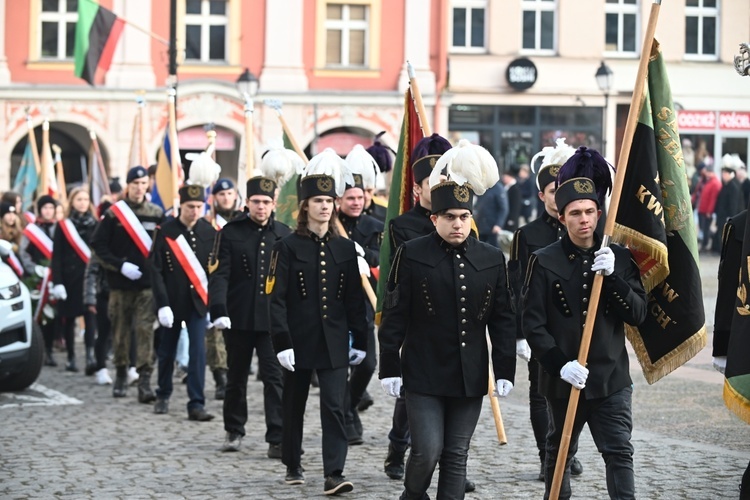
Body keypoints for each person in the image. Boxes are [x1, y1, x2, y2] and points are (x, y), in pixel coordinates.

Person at [378, 140, 516, 500]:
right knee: (427, 450)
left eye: (464, 217)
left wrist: (504, 370)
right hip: (422, 372)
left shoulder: (490, 258)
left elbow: (502, 318)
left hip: (469, 374)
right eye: (450, 217)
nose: (458, 224)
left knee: (456, 457)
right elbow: (394, 315)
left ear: (472, 218)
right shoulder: (412, 254)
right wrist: (389, 366)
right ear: (434, 218)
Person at [522, 147, 648, 500]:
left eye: (590, 211)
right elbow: (533, 324)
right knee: (559, 453)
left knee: (619, 452)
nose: (584, 220)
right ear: (562, 217)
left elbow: (638, 313)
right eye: (575, 213)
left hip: (610, 378)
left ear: (599, 212)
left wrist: (613, 278)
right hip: (563, 379)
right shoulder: (543, 261)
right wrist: (560, 365)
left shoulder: (617, 257)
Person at [268, 148, 368, 495]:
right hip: (298, 340)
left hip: (335, 340)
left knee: (335, 406)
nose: (325, 206)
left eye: (329, 200)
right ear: (304, 206)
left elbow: (354, 301)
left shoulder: (345, 248)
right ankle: (293, 462)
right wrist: (281, 342)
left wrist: (362, 341)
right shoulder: (286, 247)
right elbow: (276, 299)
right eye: (317, 200)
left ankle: (334, 472)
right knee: (293, 406)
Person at [209, 148, 299, 456]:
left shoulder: (285, 234)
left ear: (274, 204)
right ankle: (234, 430)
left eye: (266, 202)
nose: (261, 207)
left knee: (275, 380)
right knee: (236, 378)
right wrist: (218, 308)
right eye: (256, 202)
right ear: (247, 202)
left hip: (273, 322)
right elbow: (220, 274)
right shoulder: (231, 232)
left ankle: (276, 436)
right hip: (239, 317)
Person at [508, 138, 583, 481]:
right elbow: (517, 285)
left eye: (562, 189)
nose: (558, 196)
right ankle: (547, 456)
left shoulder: (585, 227)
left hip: (575, 326)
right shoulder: (528, 234)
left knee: (578, 392)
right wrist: (521, 333)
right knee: (541, 395)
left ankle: (568, 450)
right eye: (552, 190)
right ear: (542, 195)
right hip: (541, 326)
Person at [383, 133, 452, 482]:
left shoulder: (460, 218)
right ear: (417, 189)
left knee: (452, 395)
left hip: (454, 319)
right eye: (432, 182)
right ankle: (398, 445)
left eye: (445, 180)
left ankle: (450, 465)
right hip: (417, 317)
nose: (439, 186)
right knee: (413, 393)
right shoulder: (402, 225)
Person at [90, 165, 164, 400]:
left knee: (144, 331)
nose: (139, 188)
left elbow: (163, 248)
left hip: (146, 286)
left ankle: (143, 380)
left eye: (143, 184)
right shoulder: (114, 214)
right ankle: (121, 373)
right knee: (120, 332)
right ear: (128, 186)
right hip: (120, 285)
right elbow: (98, 246)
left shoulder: (156, 213)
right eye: (135, 184)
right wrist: (119, 265)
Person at [149, 185, 215, 421]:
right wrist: (162, 303)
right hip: (172, 302)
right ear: (181, 206)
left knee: (197, 352)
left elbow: (214, 271)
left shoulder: (209, 231)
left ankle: (196, 403)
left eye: (199, 207)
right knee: (167, 350)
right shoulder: (166, 231)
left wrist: (214, 305)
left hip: (198, 303)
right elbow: (155, 269)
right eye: (190, 207)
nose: (195, 211)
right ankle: (163, 394)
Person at [338, 144, 385, 445]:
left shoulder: (376, 226)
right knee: (338, 368)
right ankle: (348, 417)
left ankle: (348, 406)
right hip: (336, 305)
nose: (356, 202)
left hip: (364, 306)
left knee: (368, 364)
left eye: (359, 197)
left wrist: (363, 254)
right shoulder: (331, 225)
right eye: (349, 198)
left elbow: (382, 258)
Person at [50, 187, 98, 374]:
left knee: (90, 318)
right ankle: (71, 357)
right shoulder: (64, 226)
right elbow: (57, 256)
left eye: (86, 199)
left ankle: (90, 356)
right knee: (69, 319)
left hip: (89, 279)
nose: (83, 203)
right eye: (79, 199)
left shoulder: (95, 224)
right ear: (72, 202)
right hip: (69, 278)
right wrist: (58, 282)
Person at [205, 178, 242, 399]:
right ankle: (220, 378)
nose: (226, 198)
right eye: (222, 195)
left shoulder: (241, 222)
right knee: (215, 336)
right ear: (215, 198)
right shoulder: (208, 224)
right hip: (214, 284)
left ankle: (237, 374)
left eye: (230, 194)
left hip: (238, 287)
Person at [20, 195, 58, 366]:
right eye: (45, 208)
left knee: (53, 317)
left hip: (55, 278)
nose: (48, 211)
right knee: (38, 315)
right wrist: (34, 270)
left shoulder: (60, 228)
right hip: (37, 278)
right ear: (39, 210)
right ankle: (38, 351)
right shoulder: (31, 230)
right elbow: (23, 253)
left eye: (51, 208)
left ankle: (49, 350)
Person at [714, 155, 746, 252]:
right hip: (723, 216)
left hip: (728, 217)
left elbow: (733, 204)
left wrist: (730, 217)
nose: (723, 176)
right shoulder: (728, 184)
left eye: (724, 174)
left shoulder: (733, 186)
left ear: (729, 174)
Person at [473, 176, 508, 247]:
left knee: (493, 248)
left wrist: (498, 224)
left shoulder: (498, 188)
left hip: (492, 226)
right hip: (481, 225)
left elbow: (503, 208)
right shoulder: (482, 187)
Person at [696, 162, 721, 252]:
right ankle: (705, 243)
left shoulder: (714, 183)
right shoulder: (708, 181)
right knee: (703, 228)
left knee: (706, 228)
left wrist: (709, 211)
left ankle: (705, 245)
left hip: (706, 210)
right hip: (702, 209)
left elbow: (713, 199)